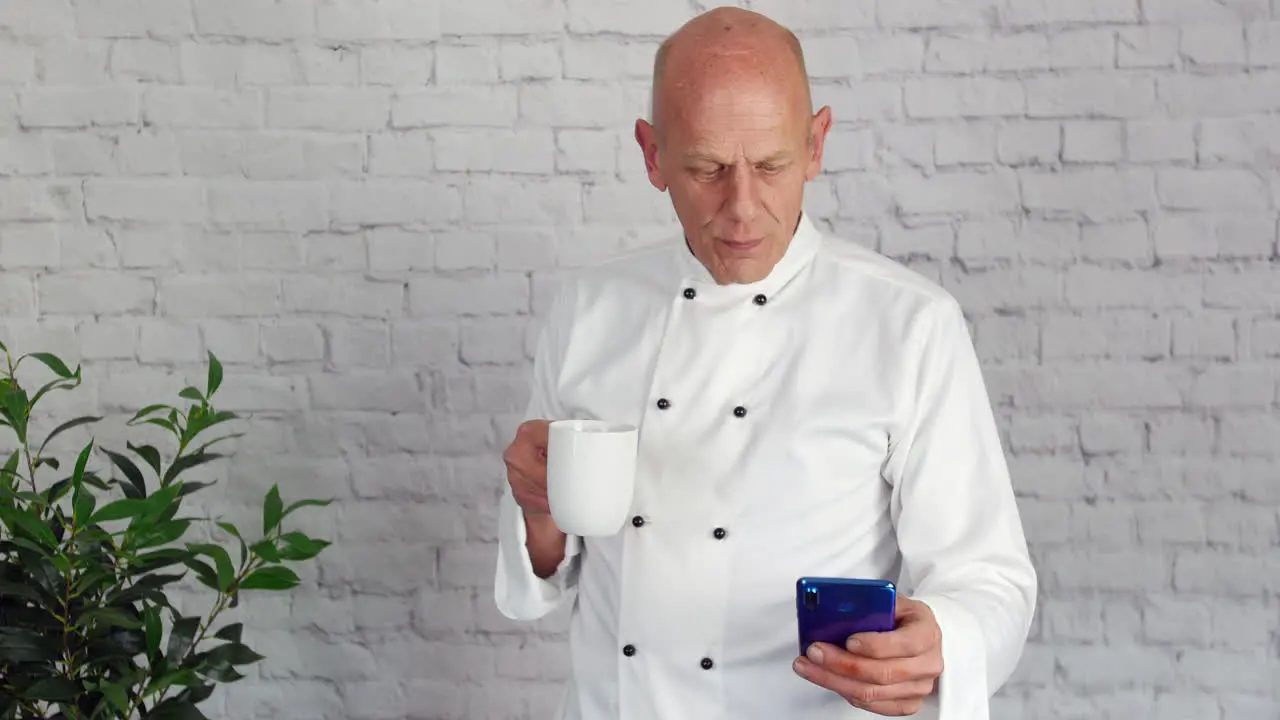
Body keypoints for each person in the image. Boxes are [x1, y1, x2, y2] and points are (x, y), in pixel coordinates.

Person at [493, 6, 1037, 719]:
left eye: (772, 165)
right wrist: (537, 516)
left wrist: (944, 642)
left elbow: (989, 578)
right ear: (653, 156)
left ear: (816, 146)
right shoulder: (589, 309)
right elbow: (548, 566)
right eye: (707, 168)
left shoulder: (909, 325)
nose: (743, 208)